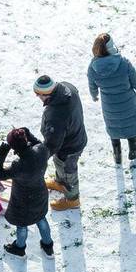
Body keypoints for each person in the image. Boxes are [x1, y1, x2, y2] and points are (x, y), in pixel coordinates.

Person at [87, 33, 136, 165]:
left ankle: (117, 155)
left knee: (113, 128)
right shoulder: (123, 63)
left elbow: (92, 86)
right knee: (130, 126)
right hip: (128, 103)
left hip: (109, 105)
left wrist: (94, 95)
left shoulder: (93, 68)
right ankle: (133, 151)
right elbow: (135, 80)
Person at [0, 127, 53, 257]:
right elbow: (38, 143)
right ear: (25, 140)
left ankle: (19, 248)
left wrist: (0, 155)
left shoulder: (18, 165)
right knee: (41, 219)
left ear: (14, 149)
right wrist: (28, 133)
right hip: (40, 194)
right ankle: (48, 246)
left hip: (22, 202)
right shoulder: (42, 151)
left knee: (22, 225)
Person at [36, 75, 88, 210]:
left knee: (68, 171)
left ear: (45, 94)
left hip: (69, 148)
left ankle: (72, 199)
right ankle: (60, 182)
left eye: (38, 94)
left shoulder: (56, 115)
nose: (37, 97)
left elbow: (52, 144)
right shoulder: (66, 87)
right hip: (76, 135)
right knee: (60, 165)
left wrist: (39, 157)